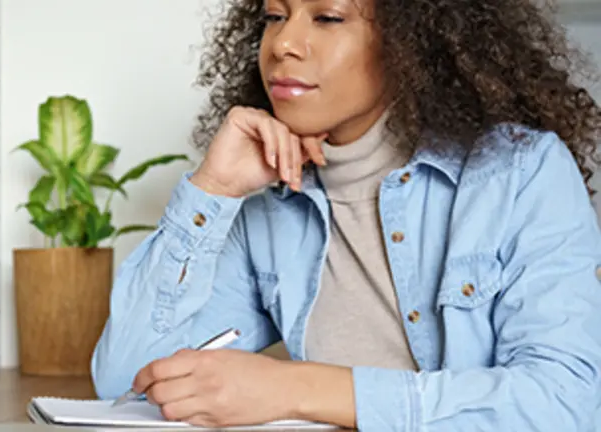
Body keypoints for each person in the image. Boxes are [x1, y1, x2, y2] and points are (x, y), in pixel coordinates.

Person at [91, 0, 601, 430]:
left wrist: (296, 388)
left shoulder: (519, 171)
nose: (283, 44)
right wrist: (214, 189)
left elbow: (564, 402)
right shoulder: (270, 203)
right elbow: (125, 386)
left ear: (409, 42)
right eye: (274, 16)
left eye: (328, 18)